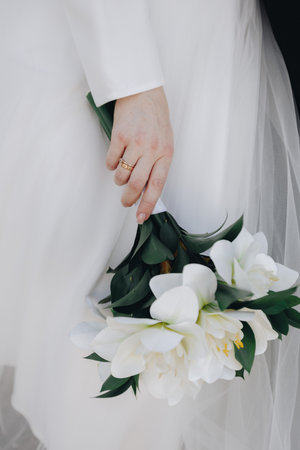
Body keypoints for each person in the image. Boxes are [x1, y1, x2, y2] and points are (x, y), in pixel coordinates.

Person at [0, 1, 300, 449]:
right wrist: (131, 81)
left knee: (166, 358)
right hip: (137, 47)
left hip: (214, 51)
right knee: (85, 332)